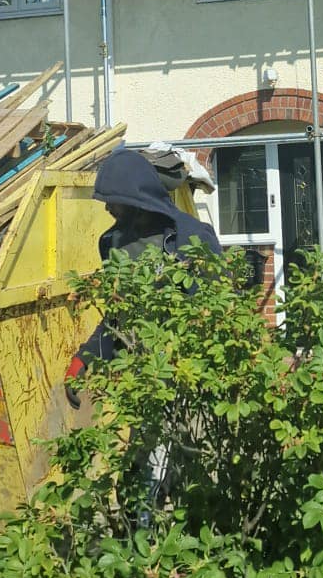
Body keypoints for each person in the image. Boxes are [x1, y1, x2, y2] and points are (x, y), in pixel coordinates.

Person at [64, 148, 221, 406]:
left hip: (189, 378)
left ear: (134, 199)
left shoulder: (191, 236)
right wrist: (87, 356)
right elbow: (120, 314)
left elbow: (218, 309)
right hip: (141, 379)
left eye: (112, 201)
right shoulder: (114, 243)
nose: (107, 208)